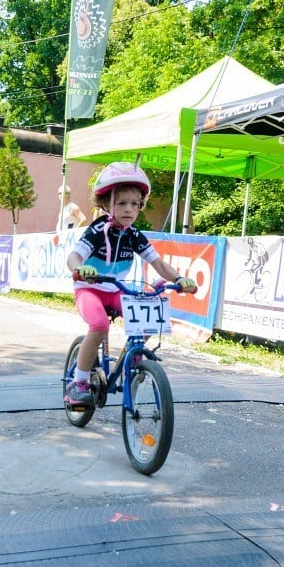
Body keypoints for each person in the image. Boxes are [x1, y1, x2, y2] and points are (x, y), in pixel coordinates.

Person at [65, 162, 198, 406]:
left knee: (151, 317)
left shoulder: (134, 235)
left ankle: (132, 361)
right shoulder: (96, 230)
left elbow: (158, 264)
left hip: (115, 290)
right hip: (89, 290)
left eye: (135, 204)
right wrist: (80, 269)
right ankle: (79, 382)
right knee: (99, 324)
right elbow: (73, 257)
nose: (129, 209)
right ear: (107, 204)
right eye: (122, 203)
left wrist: (179, 279)